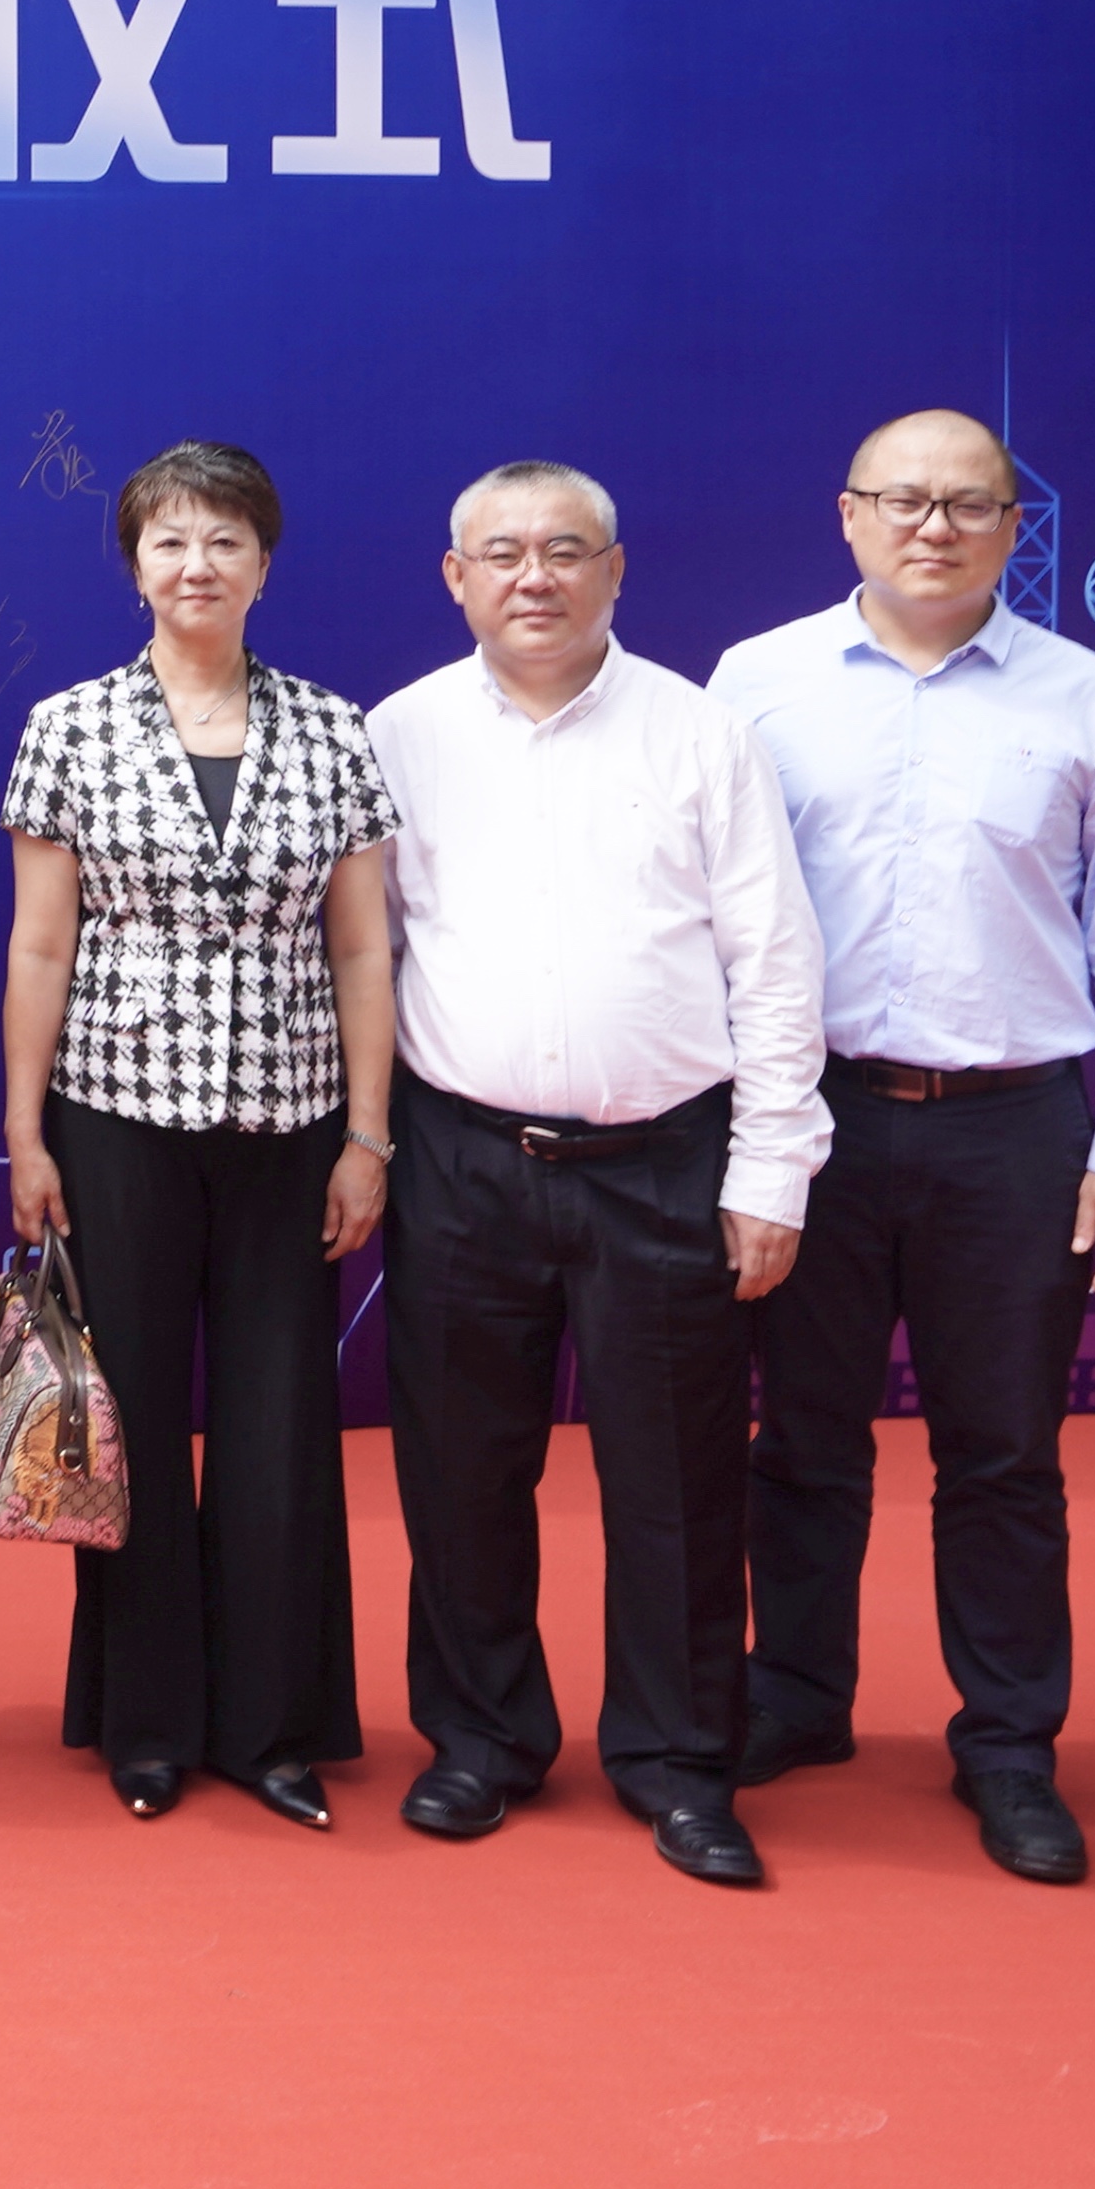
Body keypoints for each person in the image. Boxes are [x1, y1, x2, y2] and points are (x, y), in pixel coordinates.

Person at [705, 410, 1095, 1889]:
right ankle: (797, 1694)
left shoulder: (1091, 696)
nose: (936, 528)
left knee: (1005, 1453)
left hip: (1016, 1127)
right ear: (849, 514)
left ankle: (1008, 1743)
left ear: (1012, 529)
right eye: (906, 501)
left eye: (970, 505)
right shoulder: (757, 682)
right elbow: (711, 913)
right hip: (816, 1119)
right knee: (802, 1439)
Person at [366, 459, 828, 1888]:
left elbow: (775, 958)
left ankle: (681, 1762)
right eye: (501, 552)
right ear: (455, 578)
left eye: (566, 549)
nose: (535, 577)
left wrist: (771, 1169)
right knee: (461, 1469)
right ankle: (479, 1738)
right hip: (460, 1154)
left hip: (666, 1161)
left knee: (678, 1478)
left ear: (616, 570)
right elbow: (367, 953)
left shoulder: (700, 733)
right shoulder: (397, 735)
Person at [0, 441, 398, 1829]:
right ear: (135, 565)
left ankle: (273, 1728)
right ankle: (149, 1721)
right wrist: (25, 1131)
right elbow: (39, 947)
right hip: (116, 1120)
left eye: (225, 539)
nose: (197, 564)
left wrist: (368, 1137)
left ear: (264, 564)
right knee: (136, 1423)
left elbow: (363, 950)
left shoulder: (335, 732)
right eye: (170, 540)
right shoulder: (69, 727)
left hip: (293, 1128)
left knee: (282, 1428)